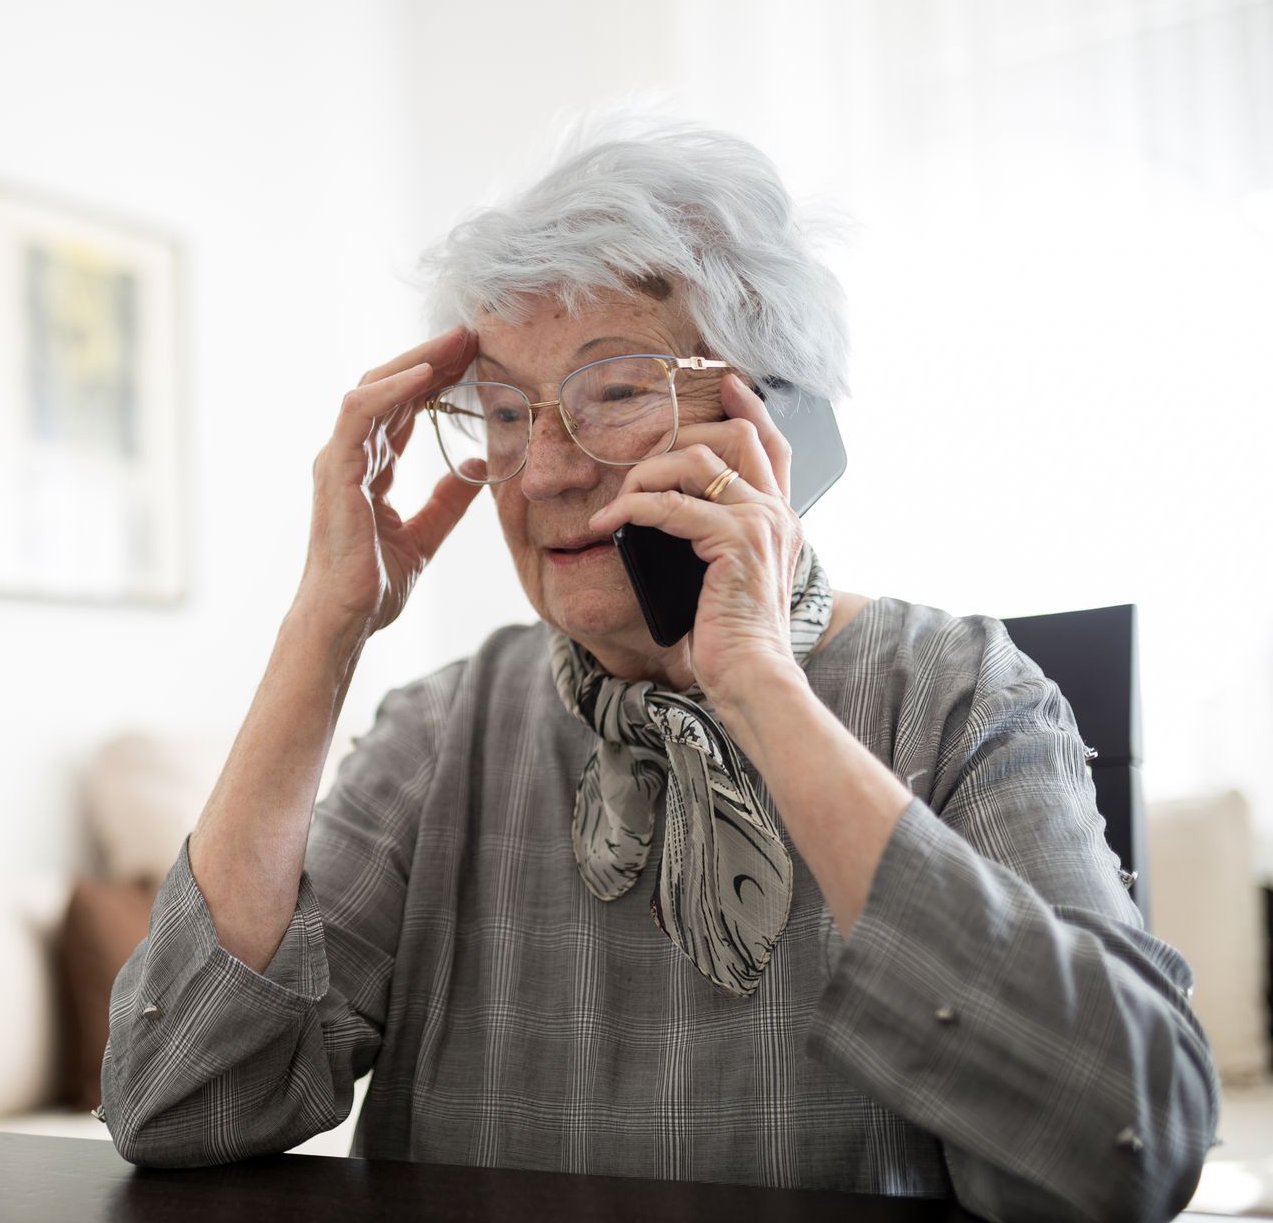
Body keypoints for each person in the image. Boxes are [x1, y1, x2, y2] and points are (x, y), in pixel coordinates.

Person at [99, 124, 1217, 1221]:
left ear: (778, 418)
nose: (538, 470)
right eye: (499, 412)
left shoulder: (960, 691)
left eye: (615, 392)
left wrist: (760, 684)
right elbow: (175, 1098)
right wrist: (324, 626)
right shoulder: (446, 729)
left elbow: (1126, 1148)